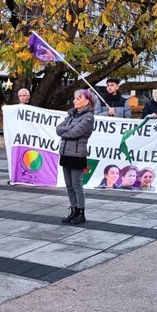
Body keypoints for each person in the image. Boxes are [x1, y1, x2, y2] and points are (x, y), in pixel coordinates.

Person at [56, 89, 95, 225]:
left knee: (77, 185)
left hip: (77, 155)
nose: (74, 101)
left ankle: (80, 212)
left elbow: (74, 133)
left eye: (78, 98)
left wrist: (65, 132)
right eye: (74, 98)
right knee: (69, 186)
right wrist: (66, 130)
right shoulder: (71, 115)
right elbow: (58, 129)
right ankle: (73, 210)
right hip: (65, 153)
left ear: (87, 101)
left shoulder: (88, 117)